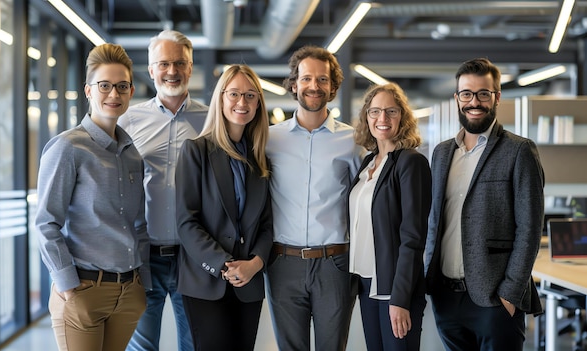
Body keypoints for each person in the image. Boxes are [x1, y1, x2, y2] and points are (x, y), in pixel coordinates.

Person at [424, 57, 545, 351]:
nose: (474, 102)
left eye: (483, 94)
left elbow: (529, 228)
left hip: (494, 300)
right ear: (457, 98)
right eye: (466, 94)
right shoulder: (441, 153)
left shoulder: (519, 151)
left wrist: (510, 293)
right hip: (446, 297)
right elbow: (434, 220)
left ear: (497, 97)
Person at [35, 43, 149, 351]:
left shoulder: (132, 154)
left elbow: (137, 222)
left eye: (122, 86)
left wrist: (142, 283)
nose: (114, 94)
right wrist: (69, 287)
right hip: (83, 290)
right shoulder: (68, 148)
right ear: (88, 91)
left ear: (131, 91)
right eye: (105, 86)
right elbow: (46, 223)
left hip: (128, 292)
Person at [265, 45, 364, 351]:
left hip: (334, 263)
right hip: (283, 263)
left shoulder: (352, 141)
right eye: (306, 78)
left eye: (322, 80)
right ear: (294, 83)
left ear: (333, 87)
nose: (314, 86)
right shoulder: (269, 139)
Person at [119, 29, 208, 351]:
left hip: (191, 256)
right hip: (143, 256)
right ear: (151, 68)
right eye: (164, 63)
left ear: (191, 65)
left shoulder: (210, 120)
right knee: (141, 346)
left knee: (194, 343)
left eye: (180, 63)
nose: (172, 71)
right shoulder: (127, 120)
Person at [175, 64, 273, 351]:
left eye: (250, 95)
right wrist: (224, 266)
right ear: (220, 99)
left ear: (258, 104)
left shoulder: (260, 160)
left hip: (249, 284)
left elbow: (267, 224)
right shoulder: (196, 151)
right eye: (234, 94)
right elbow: (186, 221)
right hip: (206, 281)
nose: (242, 102)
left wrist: (255, 264)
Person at [349, 83, 431, 351]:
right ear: (367, 117)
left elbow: (413, 237)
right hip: (367, 282)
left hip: (394, 287)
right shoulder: (369, 163)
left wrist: (400, 298)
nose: (382, 119)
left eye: (391, 111)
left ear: (402, 118)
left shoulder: (410, 162)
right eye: (375, 111)